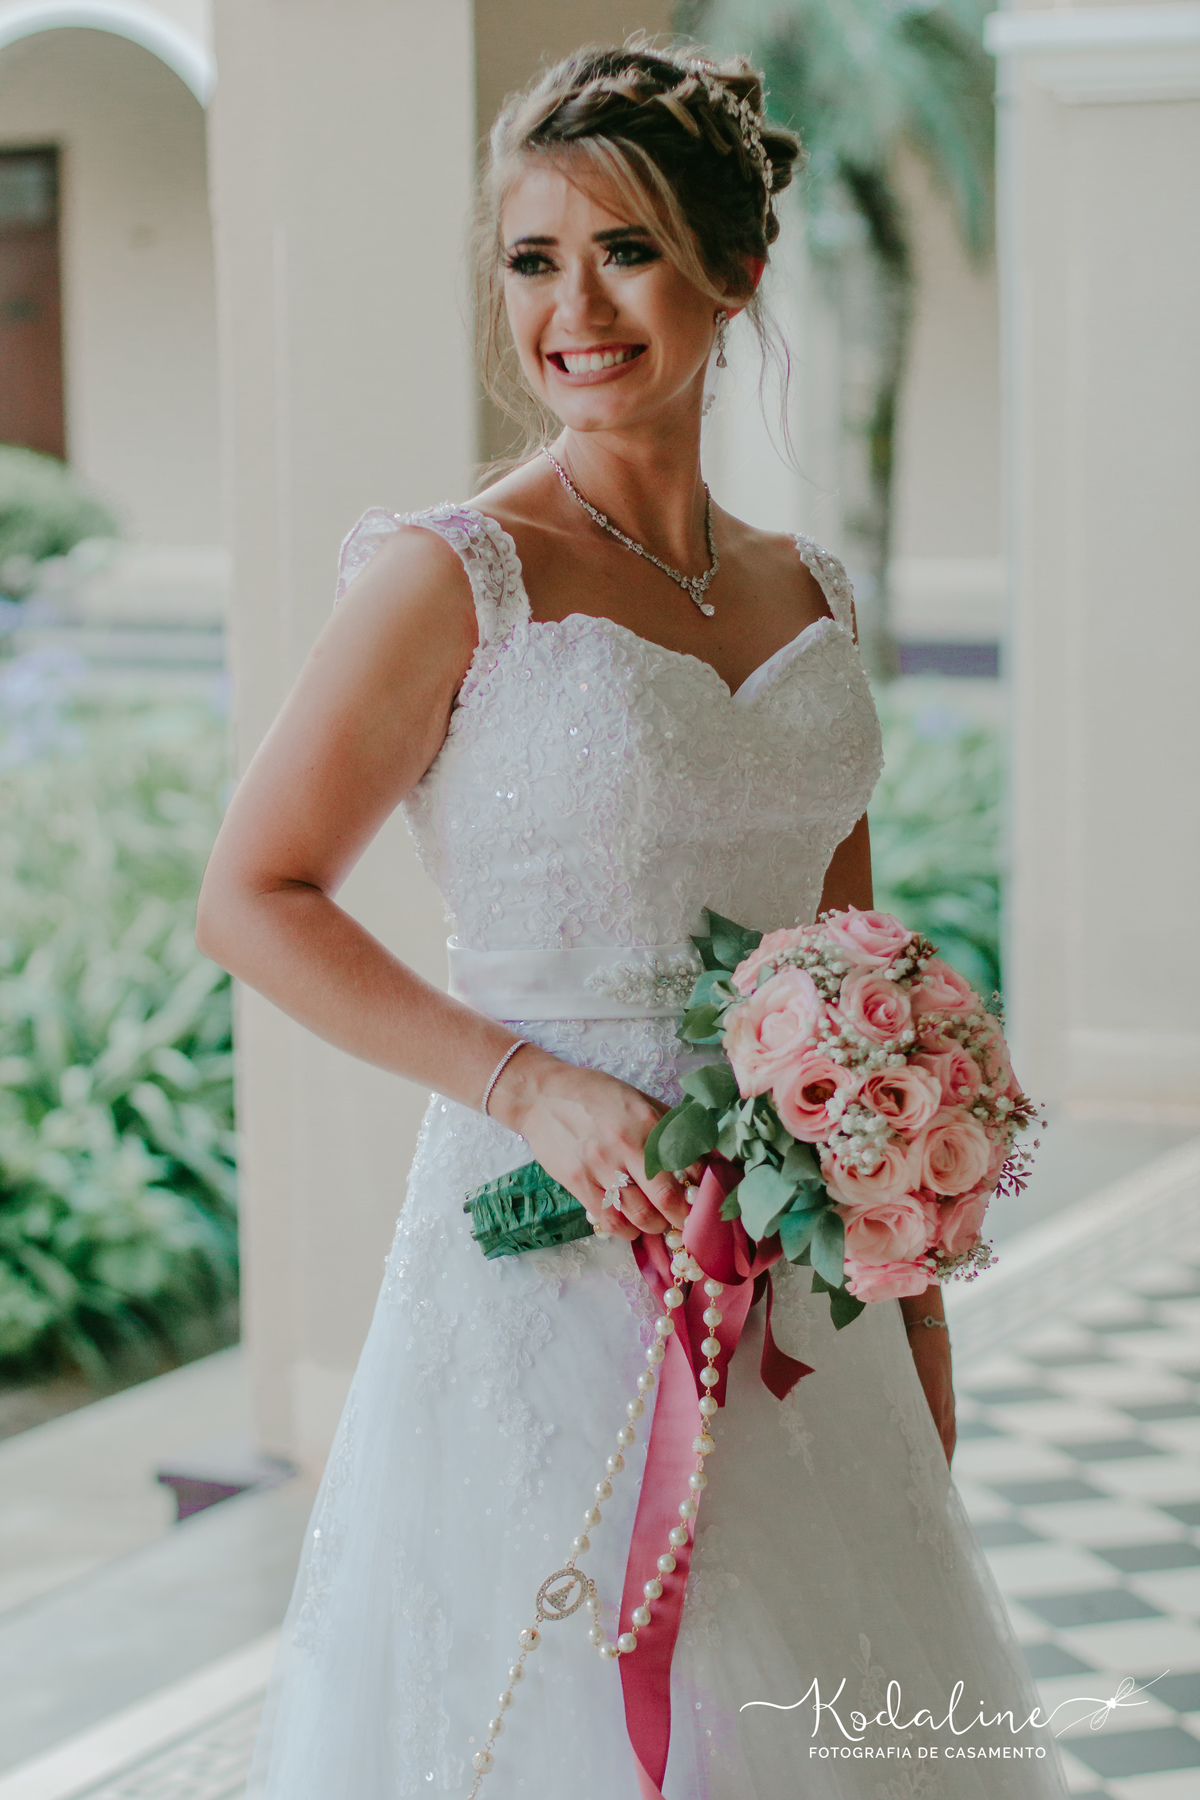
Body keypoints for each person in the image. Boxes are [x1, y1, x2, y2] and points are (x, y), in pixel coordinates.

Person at [198, 42, 1067, 1800]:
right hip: (548, 1266)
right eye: (533, 259)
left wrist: (914, 1314)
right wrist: (526, 1086)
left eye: (627, 250)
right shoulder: (453, 576)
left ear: (738, 272)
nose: (570, 308)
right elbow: (252, 897)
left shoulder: (810, 591)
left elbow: (848, 966)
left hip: (798, 1299)